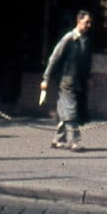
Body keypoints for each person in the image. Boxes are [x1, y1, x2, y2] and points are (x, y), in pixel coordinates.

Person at [39, 9, 93, 152]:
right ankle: (74, 141)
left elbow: (85, 63)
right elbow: (54, 58)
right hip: (66, 81)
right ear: (78, 21)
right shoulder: (69, 39)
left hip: (78, 82)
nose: (89, 25)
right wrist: (46, 78)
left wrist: (88, 78)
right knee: (71, 109)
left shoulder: (85, 41)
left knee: (65, 110)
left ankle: (58, 139)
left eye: (90, 23)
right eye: (86, 22)